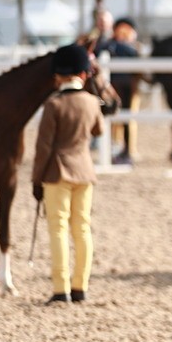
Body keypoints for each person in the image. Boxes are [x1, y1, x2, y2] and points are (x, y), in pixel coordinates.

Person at [31, 44, 103, 305]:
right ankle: (80, 286)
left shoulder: (53, 105)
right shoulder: (92, 103)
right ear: (84, 75)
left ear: (57, 76)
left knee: (58, 229)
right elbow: (99, 131)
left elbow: (43, 148)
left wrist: (36, 179)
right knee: (82, 228)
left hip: (57, 173)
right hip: (85, 172)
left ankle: (61, 288)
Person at [99, 18, 143, 164]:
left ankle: (125, 149)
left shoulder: (118, 46)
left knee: (125, 120)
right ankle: (121, 149)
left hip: (124, 87)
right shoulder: (123, 46)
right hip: (120, 87)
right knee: (123, 120)